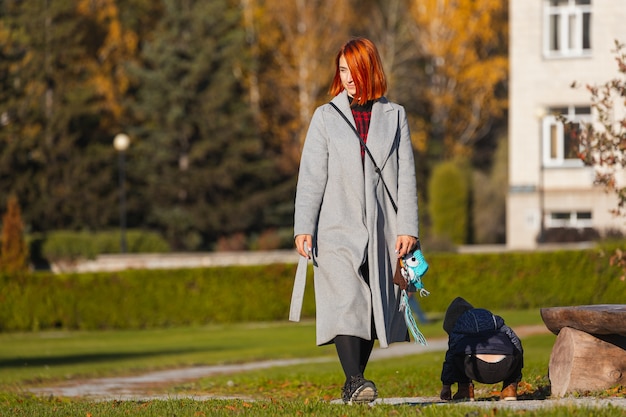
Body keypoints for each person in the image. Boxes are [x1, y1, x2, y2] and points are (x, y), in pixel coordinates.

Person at [289, 37, 420, 405]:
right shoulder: (325, 117)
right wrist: (304, 227)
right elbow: (311, 176)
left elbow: (405, 174)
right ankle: (355, 380)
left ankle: (355, 383)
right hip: (335, 226)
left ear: (369, 69)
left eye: (353, 69)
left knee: (372, 303)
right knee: (346, 298)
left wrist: (408, 226)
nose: (347, 77)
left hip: (384, 228)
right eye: (342, 69)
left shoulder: (395, 115)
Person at [439, 297, 524, 402]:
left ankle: (465, 390)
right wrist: (516, 374)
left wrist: (446, 386)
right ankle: (510, 389)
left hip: (476, 368)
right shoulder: (492, 318)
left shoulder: (459, 325)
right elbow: (516, 342)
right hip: (505, 365)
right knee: (515, 349)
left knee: (457, 353)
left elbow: (450, 357)